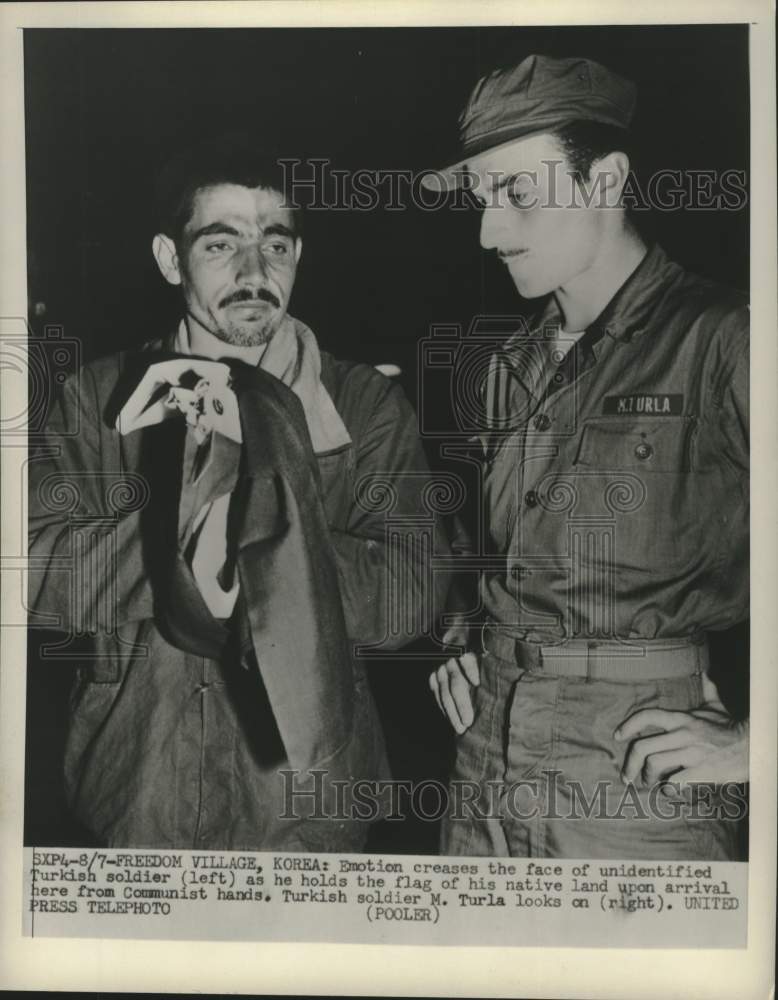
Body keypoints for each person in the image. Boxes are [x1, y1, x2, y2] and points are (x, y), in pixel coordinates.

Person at [28, 134, 448, 851]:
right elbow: (31, 568)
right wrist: (183, 542)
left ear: (298, 256)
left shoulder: (363, 402)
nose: (256, 272)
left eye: (277, 246)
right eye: (221, 246)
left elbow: (413, 591)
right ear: (170, 258)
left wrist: (266, 545)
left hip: (307, 808)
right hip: (136, 790)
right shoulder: (99, 398)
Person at [426, 54, 749, 859]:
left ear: (606, 182)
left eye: (517, 195)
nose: (488, 231)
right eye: (479, 198)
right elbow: (499, 556)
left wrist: (757, 743)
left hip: (635, 780)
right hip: (483, 766)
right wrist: (459, 637)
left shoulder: (725, 342)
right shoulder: (506, 369)